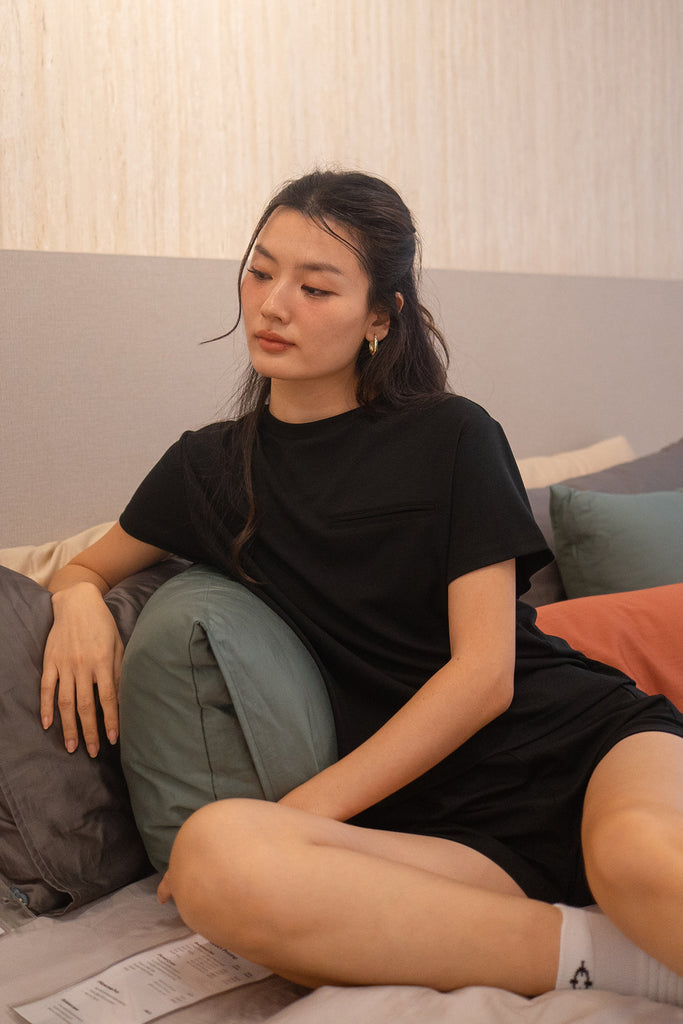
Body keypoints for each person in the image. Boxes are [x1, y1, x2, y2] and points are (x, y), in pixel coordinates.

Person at [41, 170, 683, 1004]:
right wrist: (76, 602)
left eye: (314, 288)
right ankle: (624, 961)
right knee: (214, 860)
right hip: (440, 824)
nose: (273, 305)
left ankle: (626, 933)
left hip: (583, 745)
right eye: (260, 272)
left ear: (381, 317)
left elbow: (483, 676)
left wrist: (301, 815)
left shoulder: (451, 435)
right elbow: (85, 566)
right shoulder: (209, 467)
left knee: (639, 861)